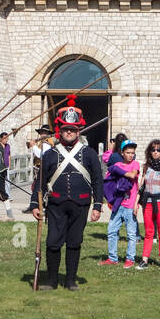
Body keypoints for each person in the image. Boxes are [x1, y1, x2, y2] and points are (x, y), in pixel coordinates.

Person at [29, 97, 103, 291]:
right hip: (55, 205)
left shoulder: (89, 154)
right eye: (65, 129)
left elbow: (97, 180)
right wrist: (35, 205)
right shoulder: (50, 154)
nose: (69, 132)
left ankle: (70, 280)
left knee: (74, 242)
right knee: (53, 242)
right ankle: (52, 281)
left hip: (81, 205)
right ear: (59, 130)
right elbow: (40, 182)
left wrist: (97, 206)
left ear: (78, 131)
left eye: (72, 129)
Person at [103, 141, 141, 267]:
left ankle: (130, 259)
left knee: (131, 234)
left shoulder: (135, 164)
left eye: (133, 153)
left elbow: (132, 174)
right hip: (118, 204)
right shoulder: (117, 164)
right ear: (122, 153)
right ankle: (112, 258)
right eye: (128, 153)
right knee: (112, 231)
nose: (131, 155)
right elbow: (109, 176)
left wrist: (118, 171)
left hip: (130, 205)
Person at [137, 139, 160, 270]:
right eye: (153, 150)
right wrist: (136, 203)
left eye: (158, 150)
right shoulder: (146, 167)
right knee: (148, 232)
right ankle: (144, 259)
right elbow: (141, 186)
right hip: (148, 202)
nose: (155, 152)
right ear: (149, 152)